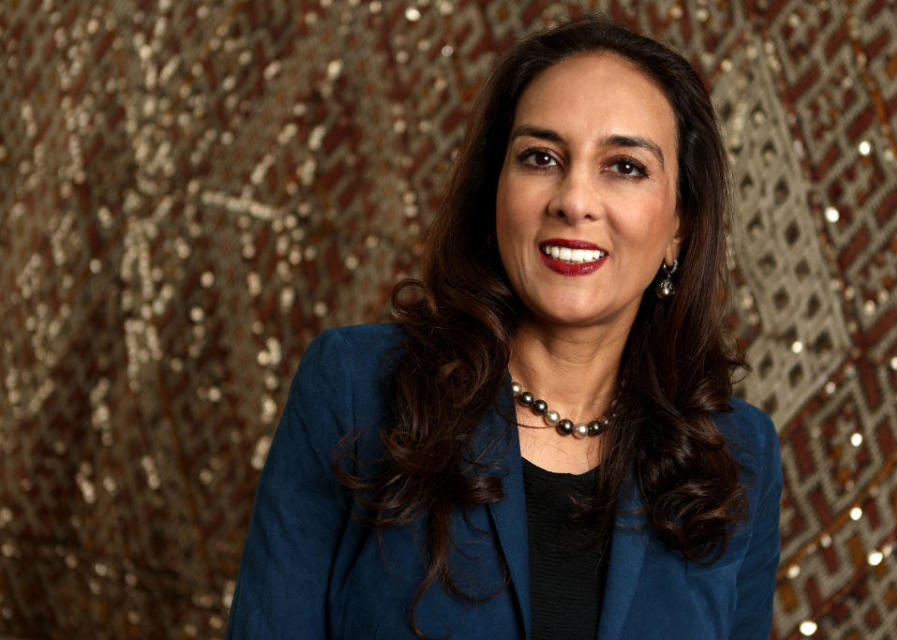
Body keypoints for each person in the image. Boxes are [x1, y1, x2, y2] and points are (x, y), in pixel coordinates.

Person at [227, 16, 781, 640]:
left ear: (680, 224)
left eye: (624, 166)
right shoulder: (357, 388)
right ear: (495, 195)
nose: (574, 199)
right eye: (540, 157)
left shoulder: (738, 457)